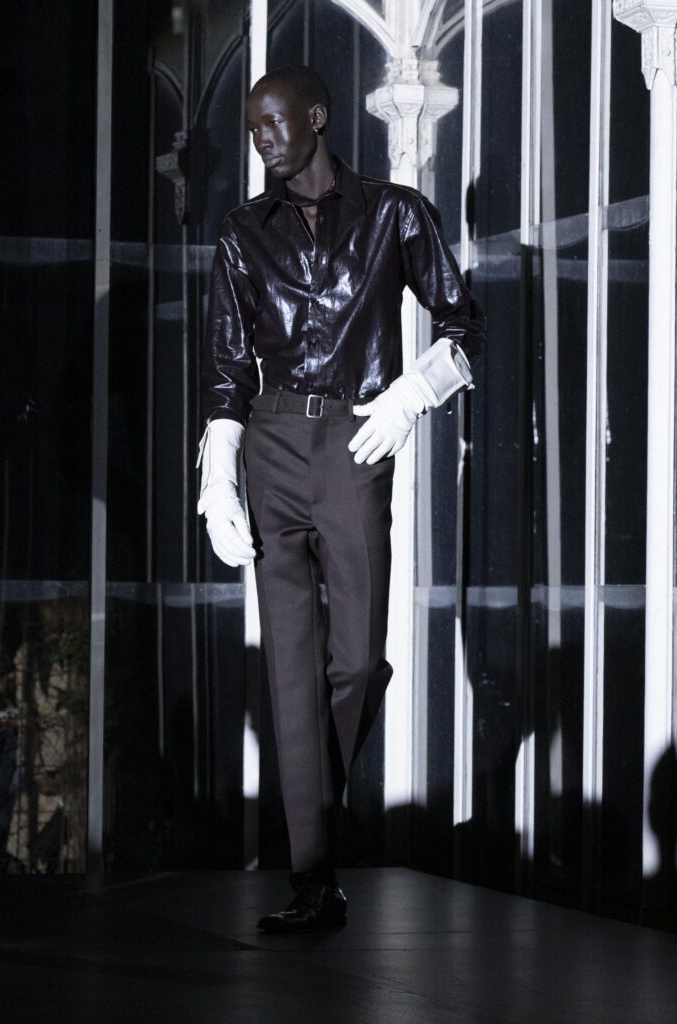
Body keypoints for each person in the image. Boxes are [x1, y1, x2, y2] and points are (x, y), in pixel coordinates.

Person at [197, 64, 485, 933]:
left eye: (274, 124)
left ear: (316, 117)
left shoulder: (395, 212)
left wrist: (412, 395)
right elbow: (226, 365)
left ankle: (313, 814)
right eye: (253, 129)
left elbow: (462, 321)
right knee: (290, 671)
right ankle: (313, 880)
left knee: (356, 661)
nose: (262, 141)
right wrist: (218, 471)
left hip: (357, 443)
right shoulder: (242, 232)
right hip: (272, 443)